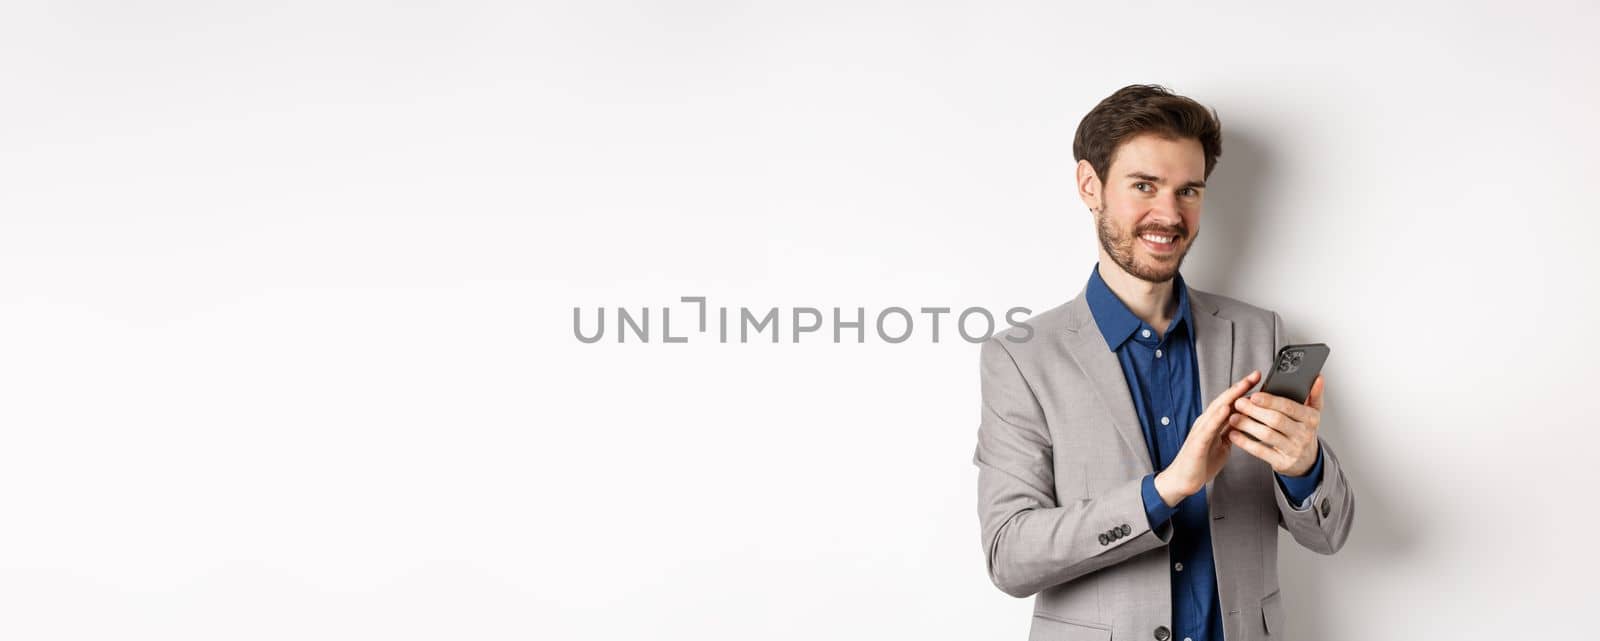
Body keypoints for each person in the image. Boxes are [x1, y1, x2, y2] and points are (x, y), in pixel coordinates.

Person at [972, 84, 1354, 641]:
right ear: (1090, 186)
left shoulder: (1257, 333)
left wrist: (1304, 467)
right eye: (1144, 186)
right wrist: (1165, 490)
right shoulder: (1021, 357)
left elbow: (1331, 534)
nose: (1169, 214)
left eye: (1189, 190)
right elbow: (1009, 556)